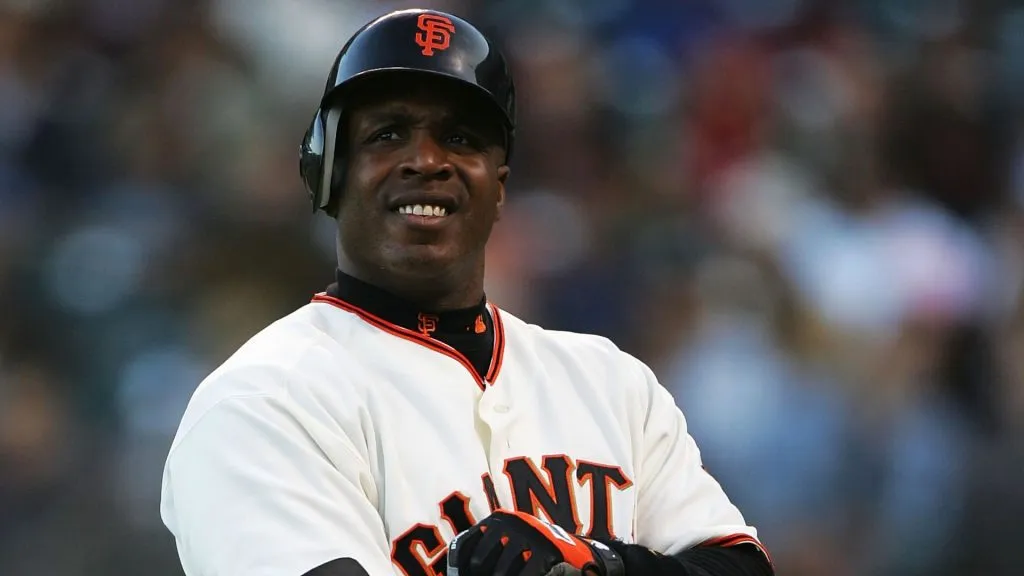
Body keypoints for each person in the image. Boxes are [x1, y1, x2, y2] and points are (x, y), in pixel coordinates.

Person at [159, 8, 775, 576]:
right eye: (387, 134)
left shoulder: (612, 384)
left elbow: (739, 566)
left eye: (460, 138)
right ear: (328, 171)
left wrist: (598, 564)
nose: (426, 161)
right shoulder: (262, 401)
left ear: (498, 184)